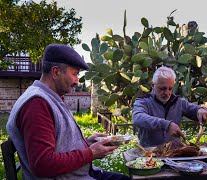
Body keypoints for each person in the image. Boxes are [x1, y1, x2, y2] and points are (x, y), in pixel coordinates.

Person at [6, 44, 130, 180]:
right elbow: (42, 164)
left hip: (81, 174)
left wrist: (86, 143)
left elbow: (57, 143)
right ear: (56, 72)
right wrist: (91, 153)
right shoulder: (36, 104)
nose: (77, 81)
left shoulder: (51, 97)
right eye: (75, 74)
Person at [132, 66, 207, 147]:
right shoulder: (143, 101)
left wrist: (201, 110)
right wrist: (167, 125)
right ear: (153, 86)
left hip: (175, 154)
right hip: (150, 155)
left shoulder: (178, 102)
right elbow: (137, 118)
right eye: (163, 88)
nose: (167, 93)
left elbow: (195, 109)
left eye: (170, 88)